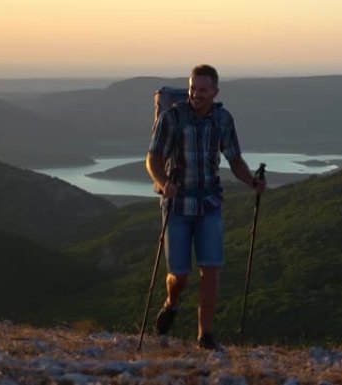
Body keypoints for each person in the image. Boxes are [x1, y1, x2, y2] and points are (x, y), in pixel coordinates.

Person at [146, 64, 265, 350]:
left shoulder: (223, 119)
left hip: (209, 202)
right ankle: (171, 303)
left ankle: (205, 335)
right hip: (177, 204)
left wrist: (252, 181)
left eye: (202, 90)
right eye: (192, 89)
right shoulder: (172, 117)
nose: (195, 94)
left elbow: (234, 159)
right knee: (180, 275)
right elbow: (153, 158)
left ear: (214, 92)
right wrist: (163, 184)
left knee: (211, 270)